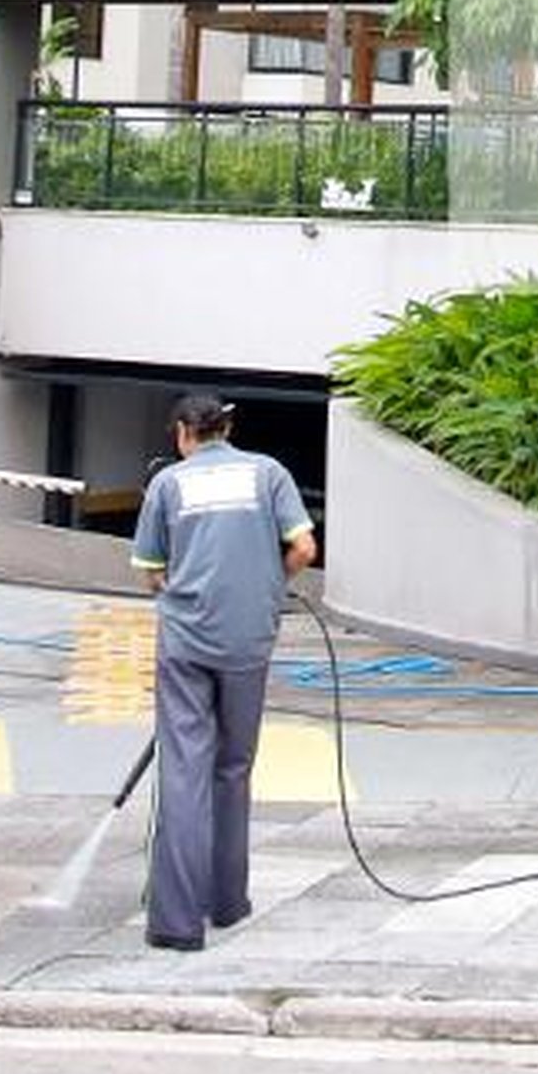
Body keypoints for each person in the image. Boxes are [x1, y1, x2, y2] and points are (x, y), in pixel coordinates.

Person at [129, 392, 316, 951]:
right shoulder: (269, 474)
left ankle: (176, 923)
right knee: (233, 768)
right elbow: (304, 547)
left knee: (185, 770)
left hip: (186, 643)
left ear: (185, 432)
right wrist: (268, 583)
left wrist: (178, 590)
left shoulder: (169, 485)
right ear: (226, 428)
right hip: (249, 641)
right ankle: (228, 902)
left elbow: (149, 570)